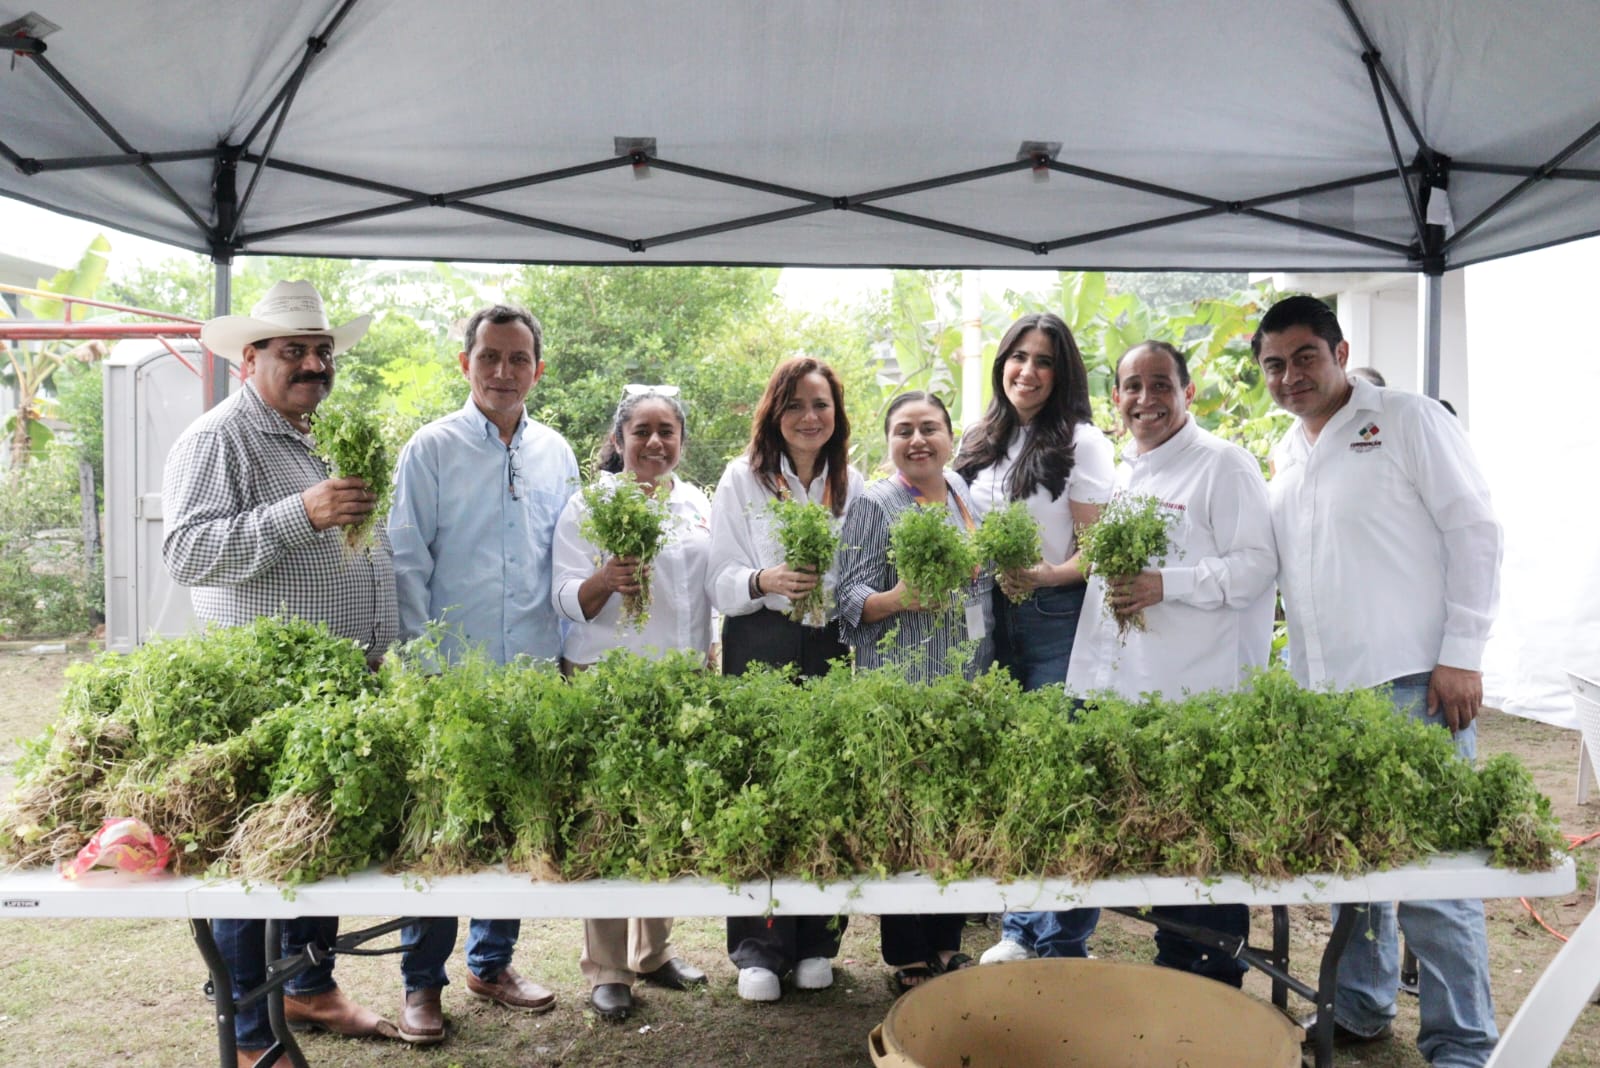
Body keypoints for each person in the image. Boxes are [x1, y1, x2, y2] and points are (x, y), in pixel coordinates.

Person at [1254, 295, 1502, 1068]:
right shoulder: (1287, 450)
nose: (1290, 376)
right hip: (1324, 695)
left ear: (1339, 352)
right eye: (1273, 365)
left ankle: (1462, 1044)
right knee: (1350, 865)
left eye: (1304, 357)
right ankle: (1361, 1008)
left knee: (1434, 875)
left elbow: (1476, 530)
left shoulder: (1407, 419)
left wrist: (1462, 652)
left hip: (1413, 684)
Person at [162, 280, 399, 1066]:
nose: (313, 364)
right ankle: (250, 1033)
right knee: (256, 859)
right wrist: (302, 513)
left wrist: (382, 638)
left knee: (318, 842)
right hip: (267, 693)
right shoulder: (218, 438)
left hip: (343, 683)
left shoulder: (318, 434)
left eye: (322, 350)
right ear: (249, 359)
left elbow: (363, 547)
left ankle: (309, 987)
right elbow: (186, 551)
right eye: (293, 351)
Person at [385, 304, 577, 1042]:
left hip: (530, 669)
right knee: (440, 830)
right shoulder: (431, 449)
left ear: (538, 369)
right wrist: (423, 666)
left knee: (513, 821)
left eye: (518, 358)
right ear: (465, 364)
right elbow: (407, 562)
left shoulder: (556, 453)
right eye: (489, 357)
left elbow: (565, 559)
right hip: (450, 673)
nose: (503, 371)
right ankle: (420, 983)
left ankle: (491, 964)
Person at [1065, 340, 1277, 986]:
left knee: (1203, 857)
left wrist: (1168, 584)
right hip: (1133, 699)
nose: (1145, 399)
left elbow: (1256, 567)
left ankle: (1212, 992)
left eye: (1160, 384)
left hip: (1197, 703)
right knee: (1164, 854)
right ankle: (1176, 984)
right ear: (1116, 398)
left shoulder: (1223, 465)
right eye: (1132, 386)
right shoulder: (1128, 471)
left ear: (1188, 391)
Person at [954, 312, 1114, 965]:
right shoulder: (982, 438)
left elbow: (1097, 553)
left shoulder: (1082, 442)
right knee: (1013, 775)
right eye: (1018, 357)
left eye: (1044, 360)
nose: (1028, 371)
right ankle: (1019, 928)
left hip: (1056, 618)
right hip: (990, 619)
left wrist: (1043, 574)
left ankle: (1063, 940)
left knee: (1061, 776)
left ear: (1062, 372)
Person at [552, 385, 711, 1021]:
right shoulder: (589, 503)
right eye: (641, 431)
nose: (654, 442)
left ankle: (653, 952)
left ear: (681, 440)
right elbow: (562, 594)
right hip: (606, 676)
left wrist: (709, 654)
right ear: (618, 440)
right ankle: (608, 968)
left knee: (662, 817)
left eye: (666, 430)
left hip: (680, 680)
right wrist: (604, 580)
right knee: (606, 818)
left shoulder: (696, 503)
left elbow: (703, 595)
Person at [707, 356, 863, 1002]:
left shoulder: (853, 484)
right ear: (774, 413)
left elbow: (862, 575)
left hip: (829, 645)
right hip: (760, 641)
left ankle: (818, 942)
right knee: (761, 787)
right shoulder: (741, 480)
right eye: (794, 404)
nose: (808, 417)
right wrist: (763, 580)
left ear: (836, 414)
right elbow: (718, 577)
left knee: (825, 785)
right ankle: (759, 949)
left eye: (820, 404)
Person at [835, 391, 994, 993]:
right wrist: (899, 598)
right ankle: (906, 953)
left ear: (950, 438)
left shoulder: (960, 493)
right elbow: (847, 597)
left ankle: (947, 943)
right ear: (889, 442)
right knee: (903, 818)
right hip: (901, 689)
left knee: (952, 814)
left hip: (964, 685)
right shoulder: (875, 503)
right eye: (904, 430)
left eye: (930, 428)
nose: (918, 440)